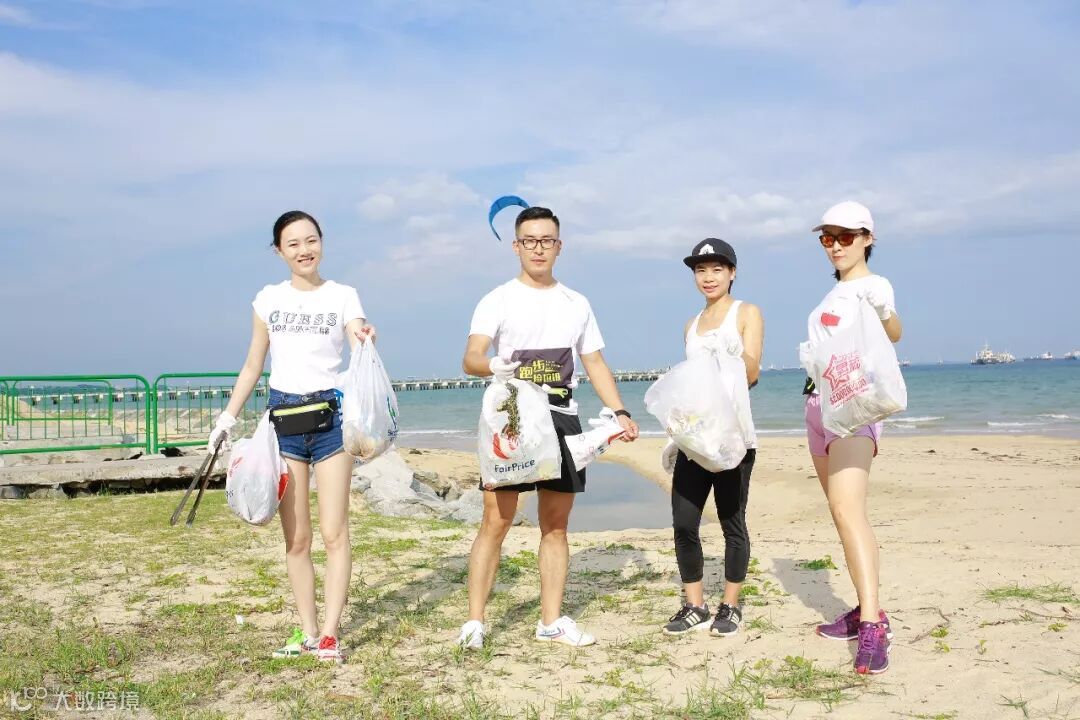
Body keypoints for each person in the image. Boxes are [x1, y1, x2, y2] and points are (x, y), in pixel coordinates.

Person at [457, 206, 639, 649]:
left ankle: (551, 621)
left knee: (555, 525)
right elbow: (471, 357)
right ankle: (475, 622)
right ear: (516, 246)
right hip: (512, 420)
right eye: (530, 241)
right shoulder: (498, 299)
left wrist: (619, 411)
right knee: (496, 521)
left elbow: (594, 361)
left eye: (546, 240)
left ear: (559, 246)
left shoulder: (576, 303)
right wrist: (492, 365)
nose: (538, 248)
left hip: (561, 417)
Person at [208, 210, 375, 664]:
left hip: (332, 422)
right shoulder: (268, 300)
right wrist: (227, 418)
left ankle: (330, 634)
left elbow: (356, 336)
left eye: (311, 240)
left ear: (322, 242)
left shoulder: (343, 295)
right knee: (297, 539)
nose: (305, 250)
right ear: (279, 251)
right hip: (284, 424)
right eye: (294, 243)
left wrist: (364, 338)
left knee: (335, 532)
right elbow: (253, 364)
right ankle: (307, 631)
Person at [802, 201, 902, 675]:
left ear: (867, 239)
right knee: (840, 515)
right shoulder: (831, 294)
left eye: (846, 236)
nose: (836, 245)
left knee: (848, 510)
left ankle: (873, 625)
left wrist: (883, 311)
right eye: (828, 238)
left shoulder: (874, 285)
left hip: (855, 408)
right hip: (817, 405)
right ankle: (866, 606)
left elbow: (894, 332)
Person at [659, 239, 763, 638]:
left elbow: (752, 372)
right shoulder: (690, 325)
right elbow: (689, 384)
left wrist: (727, 357)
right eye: (701, 270)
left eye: (717, 269)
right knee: (684, 522)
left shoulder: (746, 312)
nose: (708, 277)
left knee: (731, 522)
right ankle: (695, 605)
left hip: (733, 440)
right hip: (695, 441)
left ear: (732, 273)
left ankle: (731, 606)